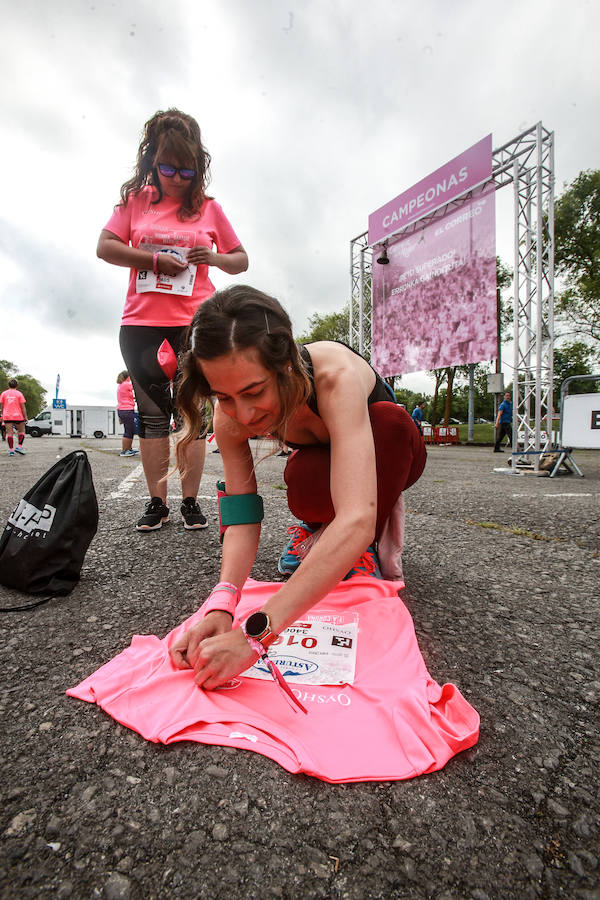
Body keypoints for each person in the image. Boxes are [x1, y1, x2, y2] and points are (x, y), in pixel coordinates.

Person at [169, 285, 426, 690]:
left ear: (287, 365)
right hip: (324, 462)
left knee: (391, 424)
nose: (244, 414)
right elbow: (241, 514)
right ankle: (320, 534)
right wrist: (222, 604)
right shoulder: (230, 416)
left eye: (254, 392)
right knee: (301, 483)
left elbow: (356, 518)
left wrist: (255, 635)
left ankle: (359, 552)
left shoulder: (335, 377)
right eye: (224, 396)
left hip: (390, 452)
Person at [97, 108, 248, 531]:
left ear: (198, 167)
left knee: (192, 415)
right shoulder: (136, 201)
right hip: (141, 322)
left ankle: (191, 502)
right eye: (167, 168)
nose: (177, 178)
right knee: (152, 416)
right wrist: (153, 260)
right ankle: (156, 502)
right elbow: (105, 247)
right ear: (152, 161)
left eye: (186, 170)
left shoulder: (209, 208)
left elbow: (240, 260)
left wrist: (212, 258)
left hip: (196, 322)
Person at [0, 379, 27, 457]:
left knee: (9, 433)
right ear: (17, 385)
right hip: (18, 416)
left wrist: (2, 415)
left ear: (8, 385)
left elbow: (2, 406)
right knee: (21, 431)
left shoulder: (4, 394)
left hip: (7, 416)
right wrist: (25, 417)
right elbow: (23, 407)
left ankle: (11, 451)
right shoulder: (19, 394)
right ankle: (19, 447)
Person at [116, 371, 139, 457]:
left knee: (130, 430)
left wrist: (134, 398)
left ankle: (129, 449)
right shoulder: (126, 384)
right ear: (128, 377)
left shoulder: (121, 385)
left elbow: (127, 396)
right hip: (126, 410)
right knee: (129, 430)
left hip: (123, 410)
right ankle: (125, 450)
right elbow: (137, 386)